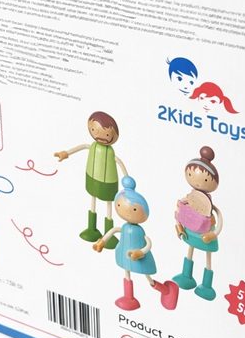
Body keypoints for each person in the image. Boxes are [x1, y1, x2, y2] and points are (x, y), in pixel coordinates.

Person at [94, 177, 179, 311]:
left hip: (140, 258)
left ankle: (165, 290)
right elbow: (113, 231)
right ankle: (129, 297)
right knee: (126, 274)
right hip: (124, 254)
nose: (126, 210)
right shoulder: (124, 227)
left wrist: (141, 252)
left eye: (134, 209)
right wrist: (102, 242)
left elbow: (148, 243)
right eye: (119, 205)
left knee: (148, 278)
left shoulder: (139, 231)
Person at [54, 111, 127, 248]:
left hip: (108, 182)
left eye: (106, 134)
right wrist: (66, 153)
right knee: (92, 201)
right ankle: (91, 229)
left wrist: (127, 180)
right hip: (92, 177)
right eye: (94, 130)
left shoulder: (110, 152)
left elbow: (119, 162)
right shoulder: (92, 146)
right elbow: (82, 147)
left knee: (108, 205)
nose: (100, 136)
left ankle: (108, 235)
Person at [171, 146, 224, 300]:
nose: (198, 181)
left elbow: (219, 215)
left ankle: (206, 286)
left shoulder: (208, 203)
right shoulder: (190, 197)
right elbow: (181, 208)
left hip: (206, 233)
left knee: (208, 257)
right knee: (190, 249)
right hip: (190, 228)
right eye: (190, 174)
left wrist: (214, 233)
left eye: (206, 180)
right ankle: (186, 276)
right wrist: (179, 222)